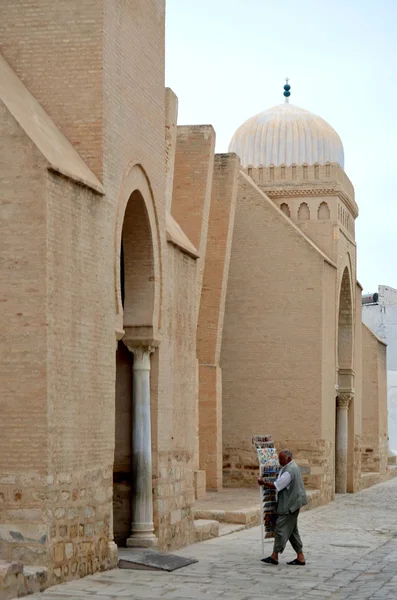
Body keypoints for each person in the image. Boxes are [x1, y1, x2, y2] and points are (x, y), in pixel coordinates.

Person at [258, 449, 307, 566]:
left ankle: (274, 556)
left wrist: (263, 482)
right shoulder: (291, 467)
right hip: (294, 503)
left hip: (289, 505)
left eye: (282, 460)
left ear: (289, 459)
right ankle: (300, 557)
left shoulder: (289, 471)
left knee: (280, 528)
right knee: (292, 531)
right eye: (279, 459)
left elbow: (277, 485)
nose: (279, 462)